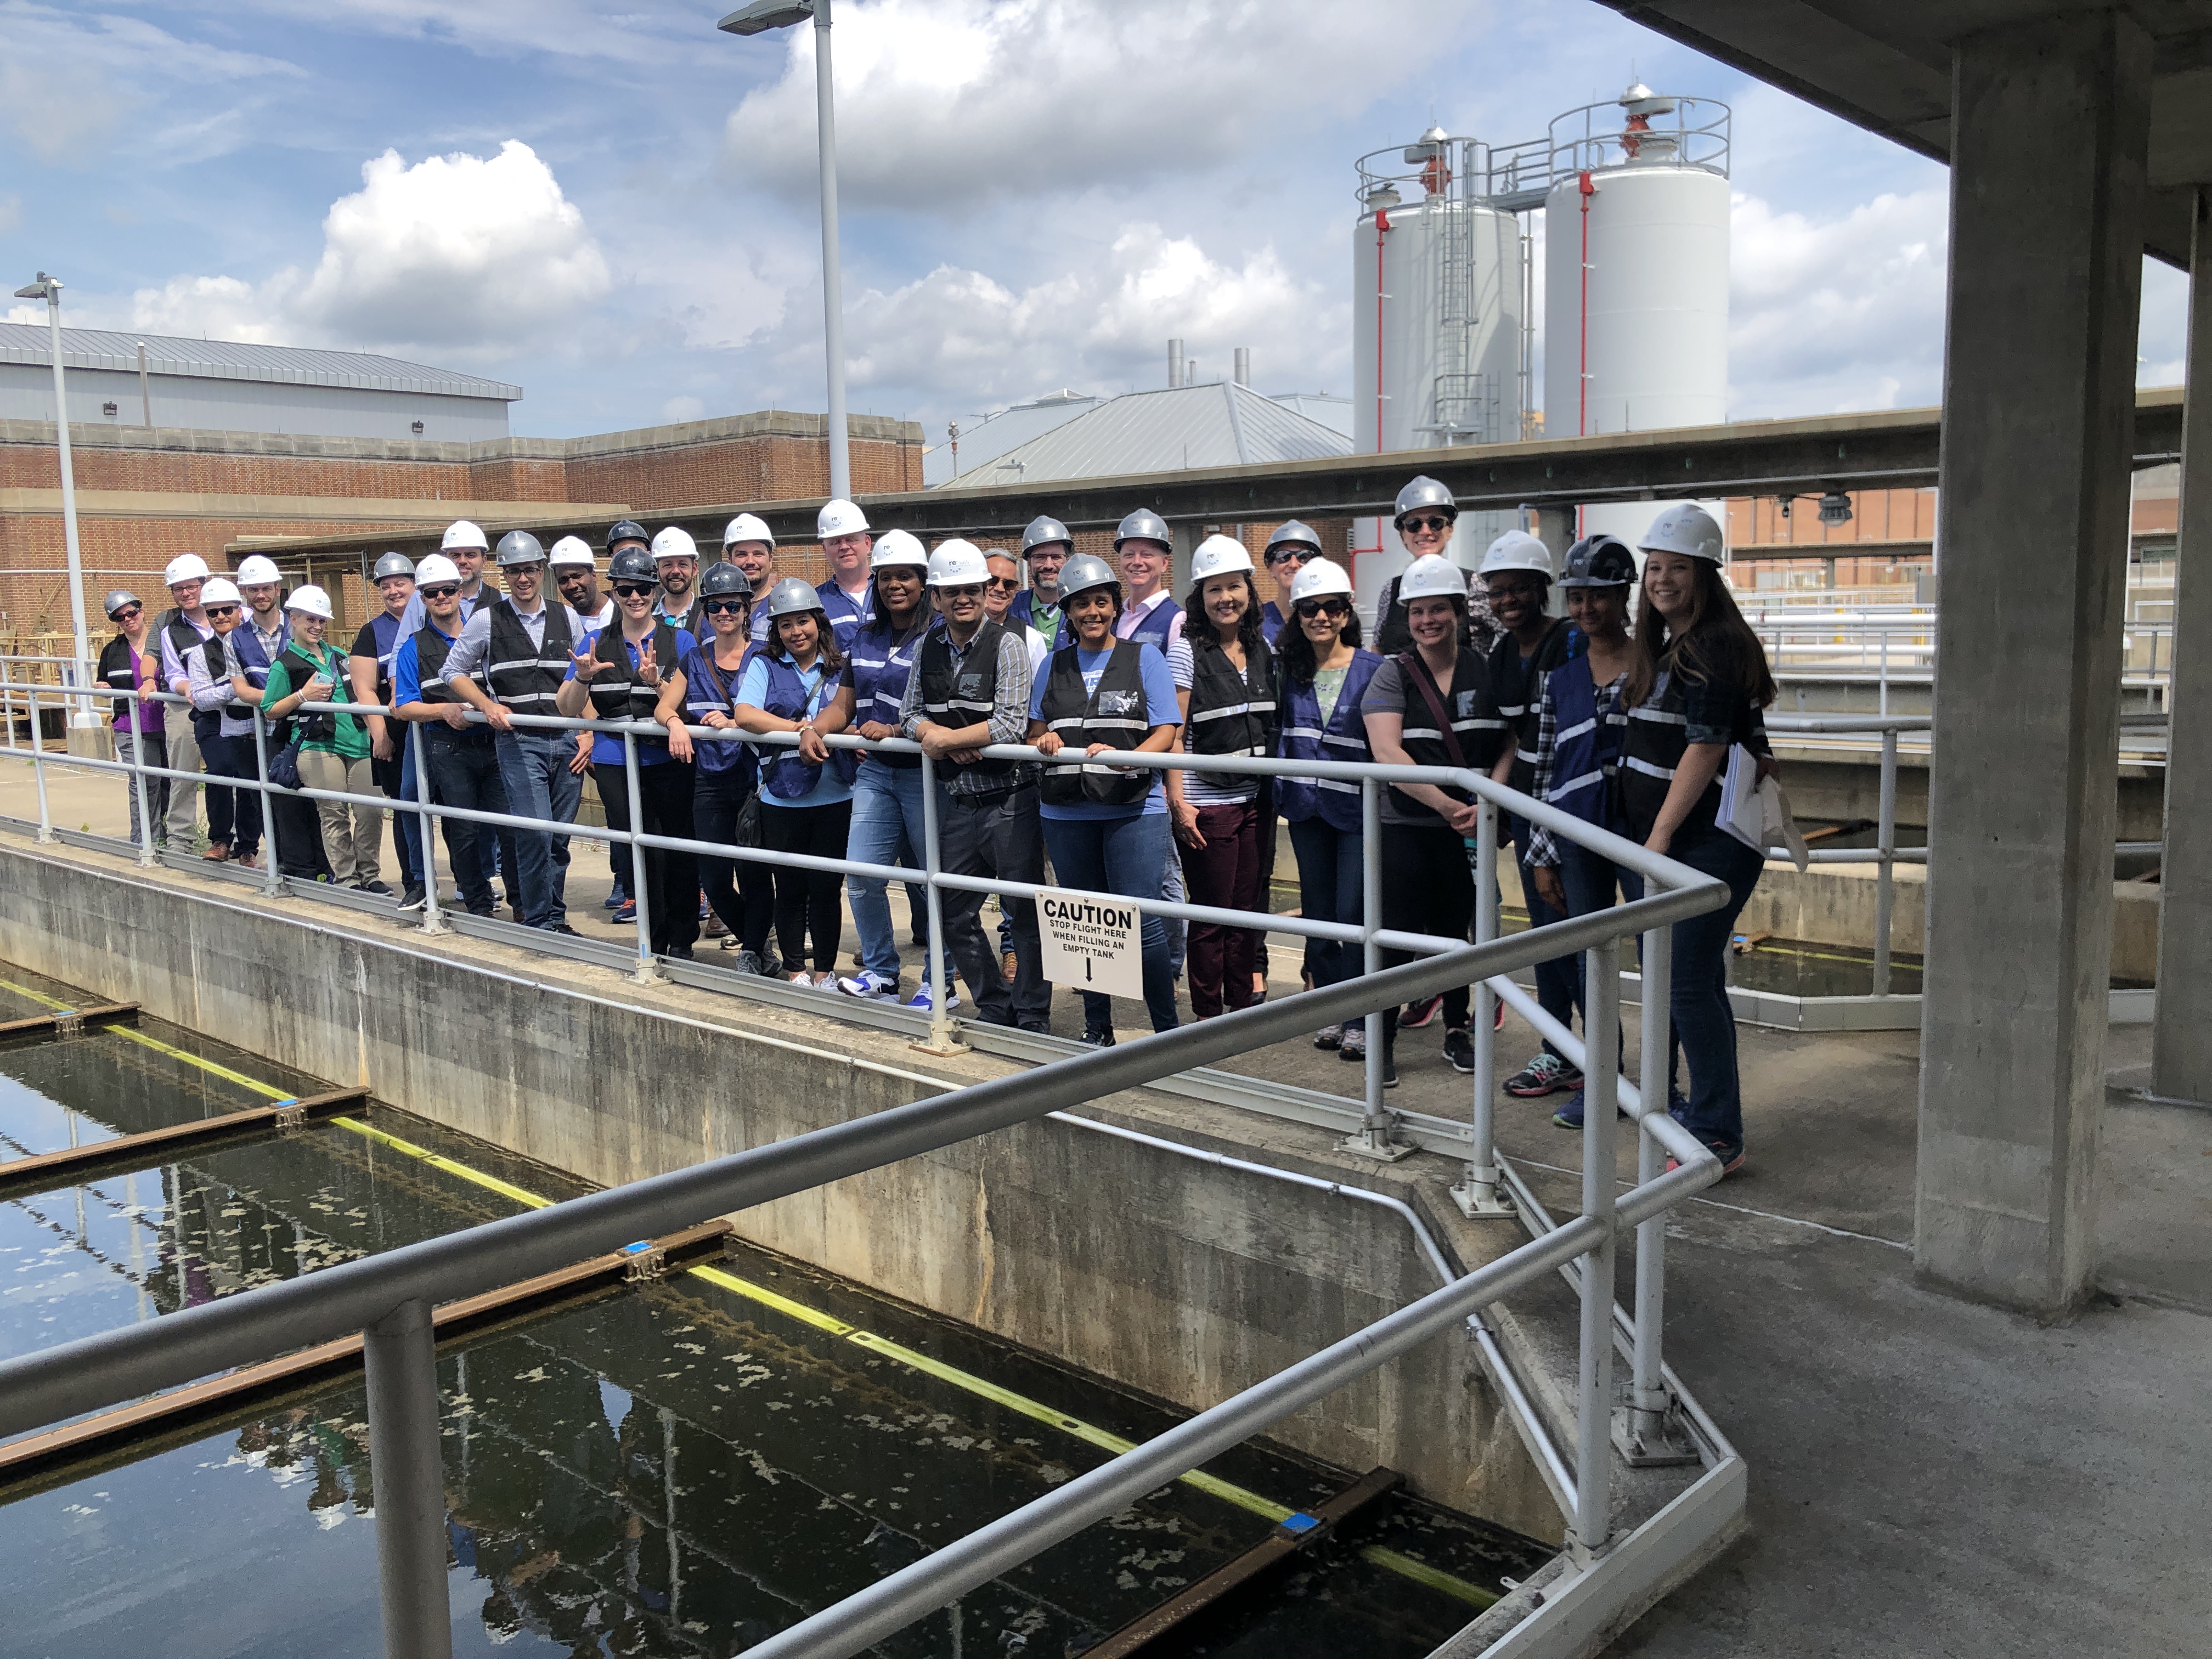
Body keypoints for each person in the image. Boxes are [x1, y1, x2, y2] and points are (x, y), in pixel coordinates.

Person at [1604, 505, 1773, 1175]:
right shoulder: (1674, 645)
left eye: (1678, 568)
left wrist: (1660, 837)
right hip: (1682, 844)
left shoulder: (1712, 643)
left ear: (1706, 575)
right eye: (1655, 568)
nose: (1662, 579)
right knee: (1691, 982)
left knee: (1686, 988)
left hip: (1701, 846)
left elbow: (1707, 747)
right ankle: (1696, 1112)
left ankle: (1716, 1135)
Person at [1359, 554, 1516, 1086]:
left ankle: (1456, 1029)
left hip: (1471, 824)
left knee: (1456, 932)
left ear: (1458, 612)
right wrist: (1451, 805)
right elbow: (1387, 752)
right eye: (1419, 611)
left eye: (1439, 610)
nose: (1428, 621)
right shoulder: (1393, 673)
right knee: (1396, 936)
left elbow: (1511, 737)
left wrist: (1489, 794)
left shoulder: (1486, 668)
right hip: (1409, 824)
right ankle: (1383, 1039)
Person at [1027, 552, 1183, 1043]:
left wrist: (1130, 755)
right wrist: (1043, 742)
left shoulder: (1145, 658)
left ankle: (1166, 1032)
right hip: (1065, 810)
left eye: (1101, 602)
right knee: (1085, 925)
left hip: (1134, 808)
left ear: (1115, 606)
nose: (1093, 612)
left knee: (1142, 924)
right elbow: (1034, 731)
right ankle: (1099, 1028)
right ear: (1068, 612)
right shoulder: (1053, 665)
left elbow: (1167, 731)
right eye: (1082, 605)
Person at [900, 539, 1048, 1030]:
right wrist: (934, 737)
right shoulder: (926, 648)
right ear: (937, 599)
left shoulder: (1009, 644)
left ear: (986, 592)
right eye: (951, 592)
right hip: (960, 802)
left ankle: (1031, 1013)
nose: (963, 599)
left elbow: (1009, 724)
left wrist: (945, 739)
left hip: (1009, 800)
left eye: (971, 589)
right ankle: (994, 1002)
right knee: (951, 910)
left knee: (1022, 913)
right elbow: (908, 715)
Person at [1523, 535, 1638, 1126]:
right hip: (1575, 839)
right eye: (1577, 597)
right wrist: (1543, 854)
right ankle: (1604, 1082)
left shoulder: (1656, 668)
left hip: (1644, 839)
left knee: (1658, 956)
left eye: (1599, 595)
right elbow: (1545, 769)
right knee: (1590, 961)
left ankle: (1662, 1091)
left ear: (1624, 596)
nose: (1587, 608)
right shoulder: (1560, 681)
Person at [1472, 530, 1585, 1102]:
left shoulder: (1568, 645)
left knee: (1575, 935)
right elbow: (1517, 736)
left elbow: (1570, 740)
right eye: (1498, 591)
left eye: (1518, 590)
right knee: (1545, 935)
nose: (1507, 601)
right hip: (1526, 808)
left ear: (1542, 590)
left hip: (1565, 811)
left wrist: (1546, 825)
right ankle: (1560, 1049)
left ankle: (1594, 1057)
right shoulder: (1501, 652)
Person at [443, 531, 589, 934]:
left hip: (565, 739)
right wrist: (486, 705)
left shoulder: (568, 617)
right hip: (520, 741)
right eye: (513, 572)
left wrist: (588, 732)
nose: (523, 579)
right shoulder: (488, 620)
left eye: (529, 570)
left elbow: (583, 677)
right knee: (535, 833)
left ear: (541, 571)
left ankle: (555, 916)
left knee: (559, 837)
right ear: (503, 574)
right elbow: (452, 671)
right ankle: (539, 918)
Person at [559, 546, 699, 958]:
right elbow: (566, 709)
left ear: (655, 591)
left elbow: (690, 706)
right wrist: (583, 678)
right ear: (615, 594)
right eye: (625, 591)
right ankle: (653, 942)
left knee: (677, 846)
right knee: (641, 849)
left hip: (668, 760)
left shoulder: (681, 640)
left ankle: (683, 937)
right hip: (615, 763)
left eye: (642, 589)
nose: (635, 598)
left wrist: (657, 682)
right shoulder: (594, 642)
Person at [811, 531, 934, 1001]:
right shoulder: (865, 637)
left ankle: (937, 982)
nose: (894, 585)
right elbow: (844, 706)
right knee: (862, 875)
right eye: (886, 577)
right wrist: (814, 729)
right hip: (877, 774)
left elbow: (947, 710)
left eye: (904, 576)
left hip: (926, 773)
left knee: (933, 882)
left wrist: (897, 731)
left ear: (923, 582)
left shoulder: (939, 634)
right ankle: (882, 972)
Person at [1164, 535, 1277, 1020]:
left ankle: (1240, 1005)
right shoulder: (1187, 651)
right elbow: (1173, 733)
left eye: (1234, 587)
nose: (1225, 598)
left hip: (1254, 798)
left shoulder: (1263, 647)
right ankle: (1209, 1015)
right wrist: (1178, 802)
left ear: (1249, 591)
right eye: (1215, 590)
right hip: (1206, 803)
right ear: (1200, 597)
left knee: (1246, 910)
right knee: (1212, 914)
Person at [1272, 560, 1381, 1050]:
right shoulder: (1288, 671)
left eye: (1330, 607)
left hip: (1357, 811)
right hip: (1305, 806)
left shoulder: (1375, 670)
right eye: (1310, 608)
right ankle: (1333, 1008)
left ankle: (1362, 1018)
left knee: (1355, 912)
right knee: (1318, 912)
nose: (1321, 616)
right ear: (1297, 615)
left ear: (1346, 613)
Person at [736, 577, 857, 986]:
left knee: (826, 889)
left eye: (802, 622)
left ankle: (824, 971)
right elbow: (746, 714)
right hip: (781, 797)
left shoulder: (842, 667)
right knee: (788, 889)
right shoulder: (764, 665)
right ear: (776, 631)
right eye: (785, 625)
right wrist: (798, 728)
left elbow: (851, 714)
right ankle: (796, 971)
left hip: (835, 794)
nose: (795, 633)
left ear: (818, 623)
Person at [658, 563, 776, 972]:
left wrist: (736, 721)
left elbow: (779, 710)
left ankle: (753, 950)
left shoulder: (765, 657)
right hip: (709, 781)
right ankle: (758, 946)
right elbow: (663, 706)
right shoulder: (694, 659)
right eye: (714, 607)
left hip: (752, 781)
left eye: (732, 606)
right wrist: (675, 724)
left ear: (746, 610)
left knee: (755, 872)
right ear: (705, 612)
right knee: (713, 878)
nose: (723, 614)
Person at [392, 554, 519, 918]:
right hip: (447, 748)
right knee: (463, 831)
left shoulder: (486, 636)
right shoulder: (413, 647)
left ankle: (523, 904)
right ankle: (478, 905)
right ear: (423, 598)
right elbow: (403, 706)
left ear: (461, 592)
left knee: (509, 828)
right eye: (433, 593)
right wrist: (442, 710)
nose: (442, 598)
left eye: (448, 590)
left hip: (494, 744)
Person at [262, 585, 384, 892]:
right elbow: (269, 710)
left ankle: (370, 875)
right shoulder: (284, 664)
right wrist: (302, 696)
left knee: (371, 812)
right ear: (293, 618)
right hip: (317, 747)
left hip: (358, 743)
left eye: (321, 621)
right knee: (334, 814)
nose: (316, 626)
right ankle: (347, 879)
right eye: (310, 620)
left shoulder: (340, 655)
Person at [1113, 508, 1190, 980]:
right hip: (1111, 765)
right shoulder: (1114, 615)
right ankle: (1121, 966)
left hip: (1154, 767)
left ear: (1165, 561)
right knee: (1119, 873)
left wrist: (1175, 789)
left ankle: (1170, 968)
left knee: (1163, 877)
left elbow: (1177, 717)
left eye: (1148, 553)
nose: (1138, 561)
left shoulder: (1175, 621)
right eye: (1130, 553)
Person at [349, 552, 427, 907]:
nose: (394, 591)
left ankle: (470, 883)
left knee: (454, 808)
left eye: (400, 583)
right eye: (386, 585)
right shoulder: (372, 632)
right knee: (404, 806)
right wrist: (379, 734)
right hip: (393, 730)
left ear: (415, 584)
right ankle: (414, 881)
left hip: (438, 723)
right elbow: (364, 688)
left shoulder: (434, 617)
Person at [183, 578, 264, 868]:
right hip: (214, 725)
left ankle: (248, 846)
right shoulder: (200, 654)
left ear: (240, 610)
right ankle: (219, 840)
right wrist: (237, 688)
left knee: (250, 783)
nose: (220, 617)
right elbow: (202, 699)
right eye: (212, 612)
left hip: (253, 725)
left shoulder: (255, 645)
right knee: (219, 774)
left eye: (227, 610)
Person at [1373, 477, 1499, 656]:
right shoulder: (1391, 590)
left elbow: (1513, 635)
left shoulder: (1474, 585)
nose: (1425, 531)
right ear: (1403, 536)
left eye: (1436, 523)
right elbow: (1377, 648)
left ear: (1450, 530)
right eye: (1414, 525)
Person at [97, 589, 168, 845]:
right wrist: (103, 689)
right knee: (144, 781)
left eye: (132, 612)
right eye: (120, 618)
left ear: (142, 611)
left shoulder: (164, 641)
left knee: (170, 782)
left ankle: (170, 839)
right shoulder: (112, 651)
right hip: (131, 725)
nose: (128, 619)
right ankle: (143, 841)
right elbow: (103, 684)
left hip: (167, 722)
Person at [155, 552, 214, 851]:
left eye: (191, 586)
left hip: (231, 707)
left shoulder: (231, 615)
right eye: (179, 589)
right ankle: (181, 838)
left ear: (205, 584)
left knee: (231, 774)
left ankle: (231, 839)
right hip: (185, 707)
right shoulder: (171, 631)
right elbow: (173, 673)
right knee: (183, 772)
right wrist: (189, 687)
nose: (186, 593)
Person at [814, 499, 874, 651]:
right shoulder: (817, 602)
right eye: (835, 542)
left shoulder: (889, 593)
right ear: (825, 550)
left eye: (851, 539)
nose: (844, 547)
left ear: (867, 544)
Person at [1009, 516, 1071, 650]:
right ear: (1029, 563)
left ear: (1067, 560)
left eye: (1056, 557)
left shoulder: (1082, 607)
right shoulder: (1012, 608)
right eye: (1040, 557)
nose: (1049, 565)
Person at [1259, 521, 1322, 646]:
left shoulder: (1330, 617)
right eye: (1284, 556)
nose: (1293, 565)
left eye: (1304, 556)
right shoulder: (1254, 621)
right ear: (1271, 568)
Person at [721, 514, 781, 645]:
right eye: (741, 555)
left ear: (771, 559)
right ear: (730, 561)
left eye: (758, 554)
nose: (750, 561)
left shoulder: (784, 605)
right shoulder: (712, 611)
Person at [650, 525, 708, 639]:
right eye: (668, 565)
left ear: (695, 569)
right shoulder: (646, 616)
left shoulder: (709, 613)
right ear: (657, 570)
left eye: (682, 564)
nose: (676, 571)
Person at [551, 537, 614, 631]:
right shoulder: (564, 629)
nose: (572, 585)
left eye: (577, 576)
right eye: (563, 581)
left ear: (594, 575)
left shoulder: (626, 612)